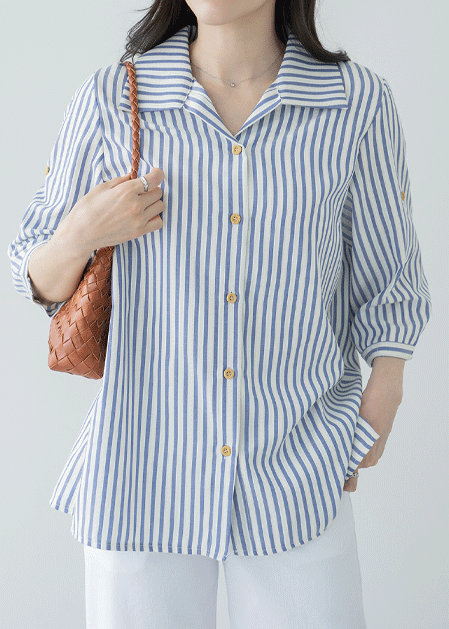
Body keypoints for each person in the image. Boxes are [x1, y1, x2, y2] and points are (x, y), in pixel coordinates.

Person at [7, 1, 432, 628]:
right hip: (141, 469)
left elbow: (389, 268)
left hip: (298, 465)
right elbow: (34, 274)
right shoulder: (112, 98)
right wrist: (80, 234)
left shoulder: (354, 102)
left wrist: (384, 393)